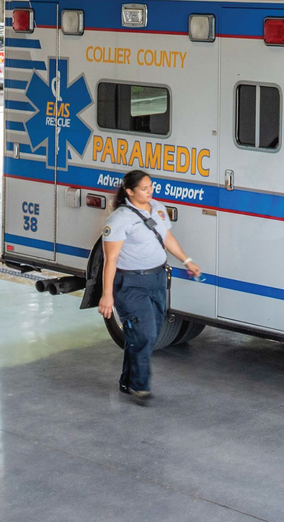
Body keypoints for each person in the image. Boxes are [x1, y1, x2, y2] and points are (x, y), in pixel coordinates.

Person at [96, 169, 200, 403]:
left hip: (157, 279)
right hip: (131, 283)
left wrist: (187, 260)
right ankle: (140, 387)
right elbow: (110, 259)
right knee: (145, 333)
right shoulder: (120, 219)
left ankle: (127, 379)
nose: (149, 191)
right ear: (130, 192)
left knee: (146, 334)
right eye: (144, 189)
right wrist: (107, 295)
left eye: (150, 187)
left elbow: (167, 238)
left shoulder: (158, 208)